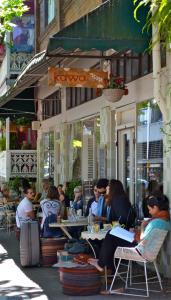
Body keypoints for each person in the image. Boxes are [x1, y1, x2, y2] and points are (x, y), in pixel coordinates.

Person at [88, 192, 170, 272]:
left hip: (141, 250)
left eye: (150, 209)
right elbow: (148, 237)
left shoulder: (155, 222)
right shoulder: (165, 220)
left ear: (155, 207)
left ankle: (103, 264)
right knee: (113, 236)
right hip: (147, 249)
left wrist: (142, 226)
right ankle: (105, 264)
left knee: (111, 235)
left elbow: (142, 240)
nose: (149, 212)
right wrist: (136, 231)